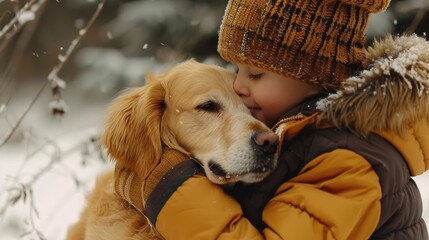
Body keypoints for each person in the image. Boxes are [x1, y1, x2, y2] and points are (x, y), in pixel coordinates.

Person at [114, 0, 429, 239]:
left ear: (311, 77)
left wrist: (167, 187)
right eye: (237, 70)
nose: (238, 86)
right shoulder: (305, 136)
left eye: (255, 73)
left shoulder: (348, 159)